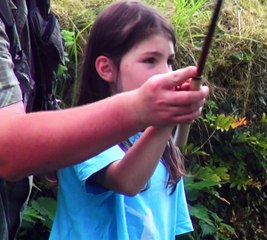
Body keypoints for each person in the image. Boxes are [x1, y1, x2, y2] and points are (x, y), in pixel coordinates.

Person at [0, 0, 208, 239]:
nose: (165, 73)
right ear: (106, 68)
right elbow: (127, 182)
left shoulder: (162, 147)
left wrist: (167, 119)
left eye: (169, 61)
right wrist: (167, 118)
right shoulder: (85, 137)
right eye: (150, 60)